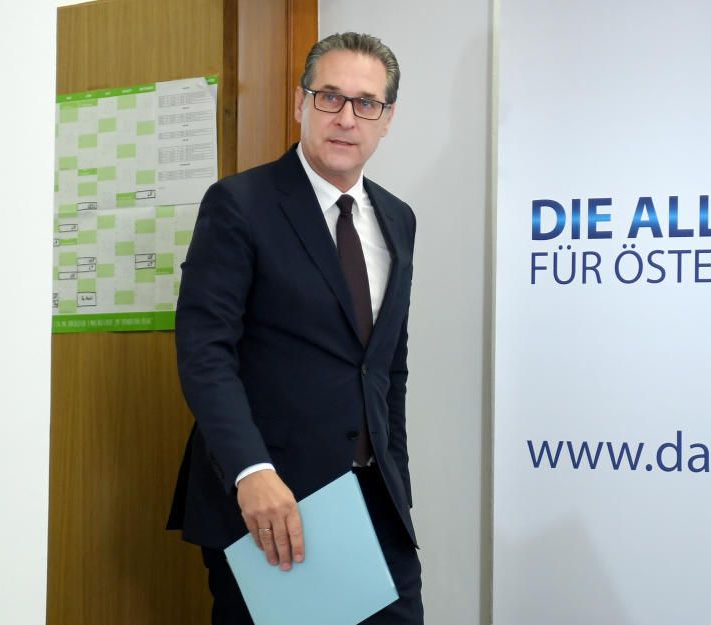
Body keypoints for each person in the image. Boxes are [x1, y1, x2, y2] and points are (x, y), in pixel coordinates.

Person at [167, 32, 422, 624]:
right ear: (299, 103)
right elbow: (205, 353)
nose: (346, 118)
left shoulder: (398, 219)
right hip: (270, 505)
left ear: (387, 119)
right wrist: (250, 472)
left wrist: (398, 484)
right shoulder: (240, 204)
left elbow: (388, 368)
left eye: (366, 103)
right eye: (329, 97)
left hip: (372, 504)